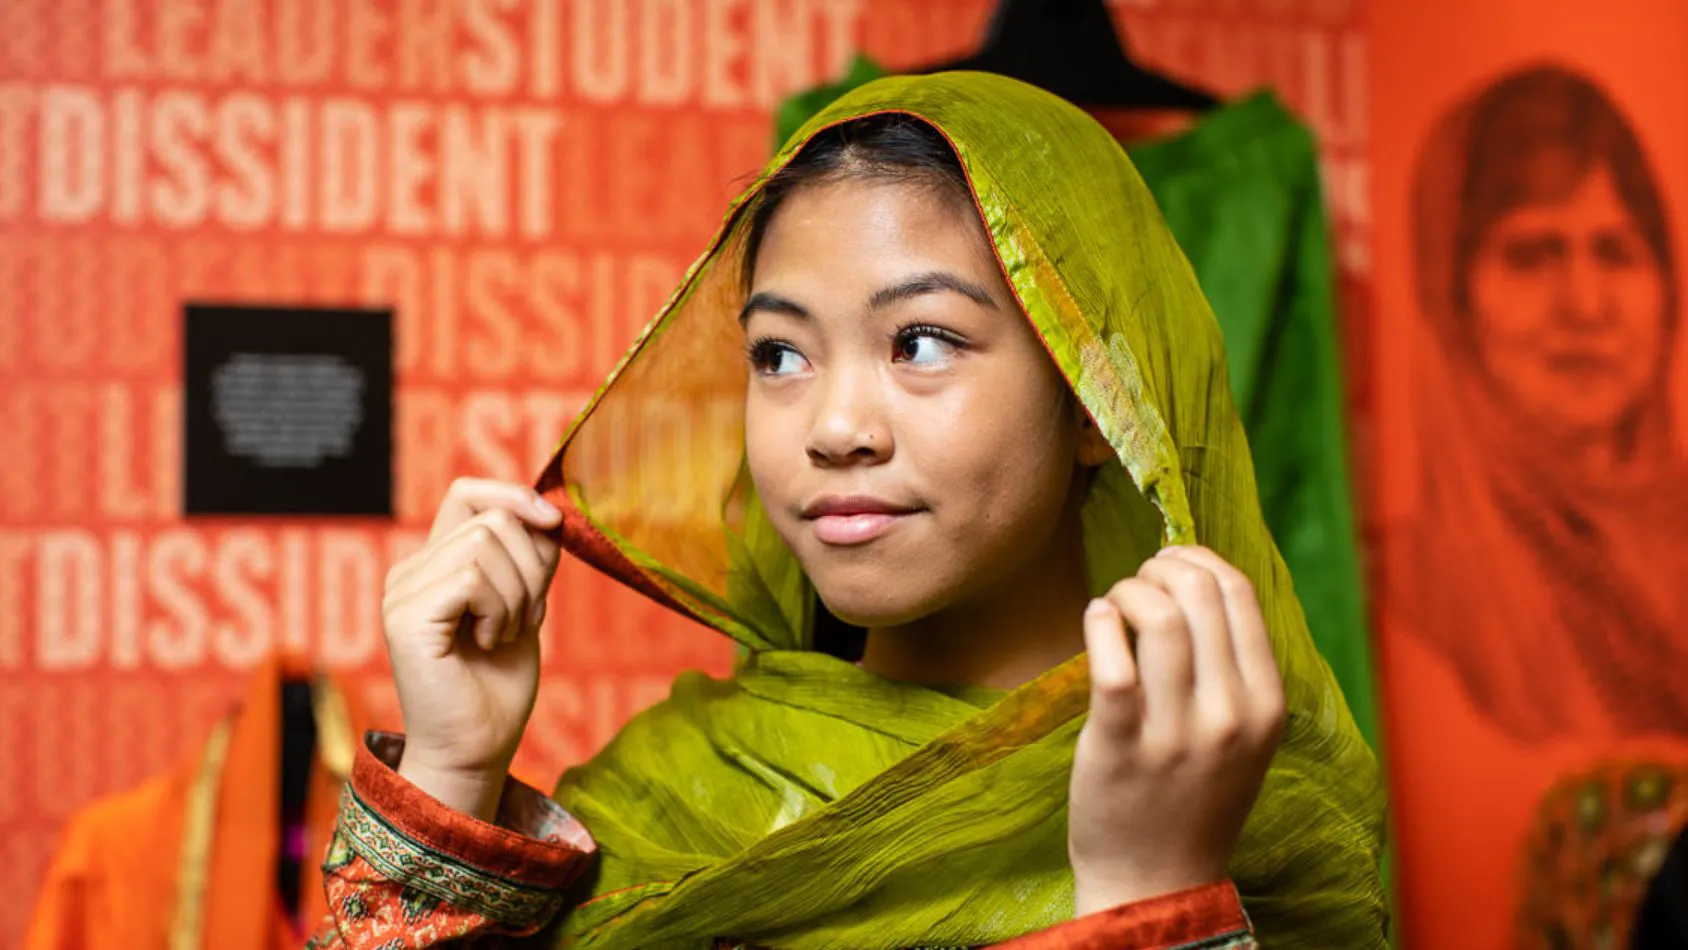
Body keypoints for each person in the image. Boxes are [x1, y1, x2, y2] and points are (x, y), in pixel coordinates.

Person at [307, 72, 1386, 948]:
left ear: (1094, 398)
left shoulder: (1236, 802)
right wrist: (451, 773)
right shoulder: (671, 800)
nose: (830, 426)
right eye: (778, 354)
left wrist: (1144, 894)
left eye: (919, 340)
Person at [1392, 64, 1685, 741]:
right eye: (1532, 255)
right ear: (1453, 298)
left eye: (1616, 252)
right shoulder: (1413, 597)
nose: (1585, 306)